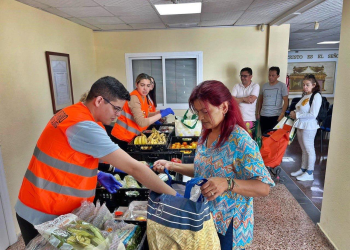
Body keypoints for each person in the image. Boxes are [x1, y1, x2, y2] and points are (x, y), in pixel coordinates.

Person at [15, 76, 178, 246]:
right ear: (100, 100)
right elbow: (135, 169)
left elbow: (64, 156)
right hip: (43, 213)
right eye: (116, 108)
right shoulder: (84, 126)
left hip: (41, 204)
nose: (118, 114)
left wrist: (98, 173)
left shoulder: (72, 113)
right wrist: (175, 197)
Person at [153, 80, 274, 250]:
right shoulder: (205, 134)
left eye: (205, 111)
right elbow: (204, 169)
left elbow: (264, 187)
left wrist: (228, 183)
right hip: (206, 216)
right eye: (198, 112)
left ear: (224, 107)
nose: (200, 117)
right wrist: (172, 166)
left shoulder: (240, 140)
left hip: (229, 223)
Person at [111, 73, 174, 150]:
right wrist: (161, 115)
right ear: (136, 85)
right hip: (122, 137)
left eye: (148, 86)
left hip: (130, 137)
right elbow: (141, 122)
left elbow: (145, 114)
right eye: (142, 85)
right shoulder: (134, 98)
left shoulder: (143, 97)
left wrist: (158, 112)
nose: (145, 89)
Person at [289, 74, 322, 181]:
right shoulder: (306, 95)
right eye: (303, 85)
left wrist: (297, 115)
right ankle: (303, 169)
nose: (305, 87)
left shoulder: (316, 96)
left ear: (314, 85)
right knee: (303, 149)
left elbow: (313, 115)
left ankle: (309, 172)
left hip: (309, 126)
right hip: (301, 124)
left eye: (307, 85)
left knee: (309, 149)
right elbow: (301, 108)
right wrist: (295, 112)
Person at [257, 66, 289, 134]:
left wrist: (282, 114)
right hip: (264, 115)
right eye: (269, 75)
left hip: (276, 116)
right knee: (264, 136)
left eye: (273, 75)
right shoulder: (264, 86)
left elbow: (286, 102)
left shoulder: (282, 86)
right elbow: (260, 100)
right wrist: (258, 113)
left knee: (274, 138)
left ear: (278, 76)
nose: (270, 77)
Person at [231, 67, 260, 138]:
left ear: (251, 76)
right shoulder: (236, 86)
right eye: (241, 76)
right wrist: (244, 98)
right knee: (236, 140)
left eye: (245, 76)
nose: (243, 78)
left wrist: (238, 99)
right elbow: (231, 100)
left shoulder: (255, 86)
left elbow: (251, 100)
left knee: (249, 140)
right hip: (237, 119)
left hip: (249, 119)